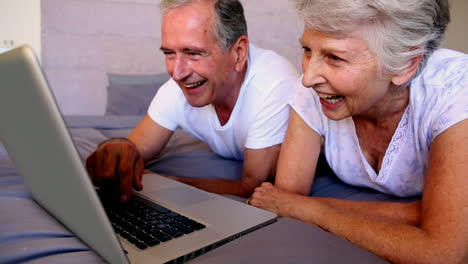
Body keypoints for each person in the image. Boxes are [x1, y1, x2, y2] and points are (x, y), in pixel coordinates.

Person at [249, 0, 468, 263]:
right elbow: (284, 198)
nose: (308, 77)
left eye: (335, 57)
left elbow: (442, 253)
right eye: (307, 49)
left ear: (406, 64)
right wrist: (415, 213)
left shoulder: (456, 92)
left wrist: (312, 210)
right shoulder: (315, 90)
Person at [86, 0, 298, 201]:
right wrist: (115, 149)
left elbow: (252, 186)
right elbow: (131, 152)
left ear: (239, 53)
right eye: (169, 53)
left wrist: (175, 184)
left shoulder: (274, 85)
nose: (177, 73)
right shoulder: (177, 90)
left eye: (194, 53)